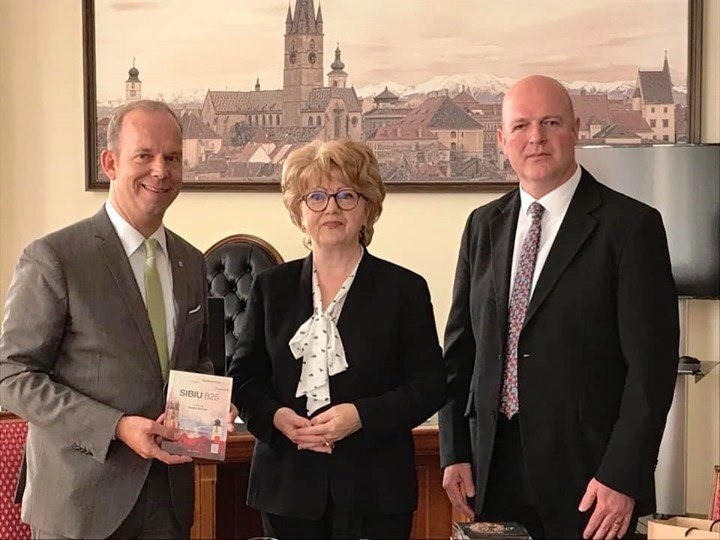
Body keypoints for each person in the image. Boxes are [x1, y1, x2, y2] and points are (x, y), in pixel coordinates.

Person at [438, 75, 678, 539]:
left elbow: (652, 370)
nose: (537, 137)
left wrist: (621, 475)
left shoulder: (631, 227)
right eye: (522, 125)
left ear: (577, 128)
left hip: (591, 481)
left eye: (551, 122)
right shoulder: (482, 226)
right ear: (502, 138)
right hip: (492, 470)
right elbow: (460, 351)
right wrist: (455, 451)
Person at [0, 100, 235, 539]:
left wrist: (210, 406)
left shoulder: (190, 261)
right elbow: (11, 375)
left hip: (168, 500)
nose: (160, 170)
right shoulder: (55, 257)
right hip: (80, 503)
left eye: (173, 158)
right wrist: (116, 427)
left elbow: (194, 362)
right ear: (109, 162)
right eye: (143, 156)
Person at [228, 139, 446, 539]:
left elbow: (430, 386)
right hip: (286, 488)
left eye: (347, 195)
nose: (331, 207)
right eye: (316, 196)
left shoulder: (405, 289)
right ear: (299, 210)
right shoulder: (269, 287)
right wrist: (276, 419)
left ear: (367, 207)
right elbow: (243, 377)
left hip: (375, 490)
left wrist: (360, 416)